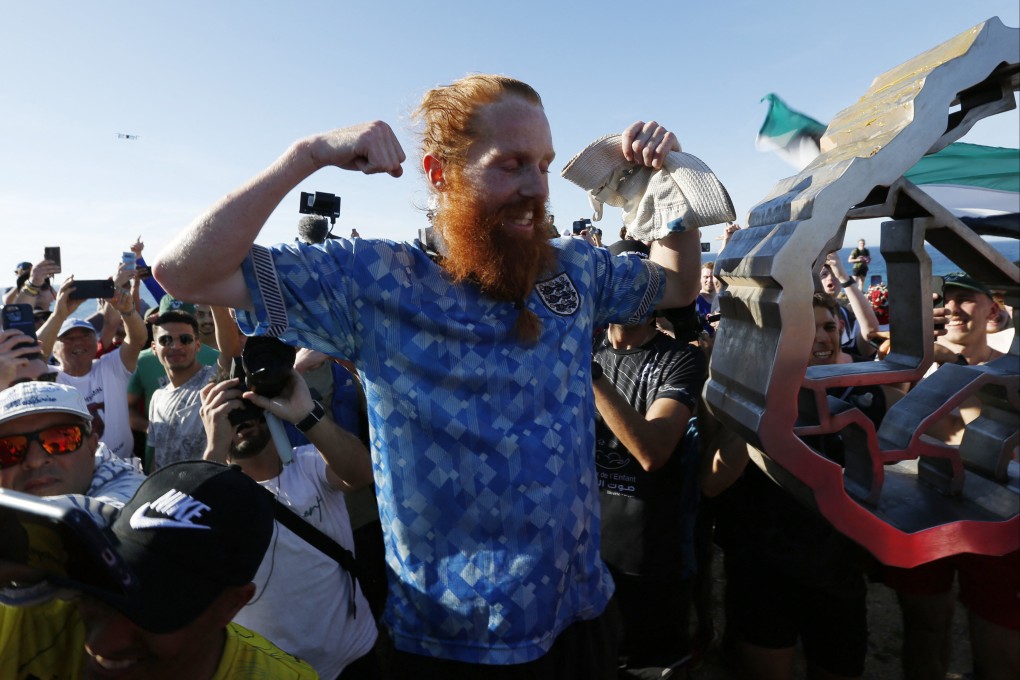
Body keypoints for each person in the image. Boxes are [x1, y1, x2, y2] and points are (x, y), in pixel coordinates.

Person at [155, 74, 723, 677]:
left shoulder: (572, 270)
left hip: (579, 616)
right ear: (439, 171)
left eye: (543, 165)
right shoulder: (373, 280)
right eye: (511, 164)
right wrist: (308, 155)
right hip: (446, 641)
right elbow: (185, 273)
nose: (536, 188)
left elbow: (679, 285)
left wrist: (664, 179)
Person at [702, 293, 892, 680]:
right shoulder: (741, 396)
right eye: (808, 329)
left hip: (837, 567)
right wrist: (765, 405)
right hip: (762, 568)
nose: (822, 337)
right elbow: (712, 482)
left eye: (829, 326)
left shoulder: (865, 390)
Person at [0, 459, 318, 679]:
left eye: (154, 612)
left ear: (232, 605)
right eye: (101, 588)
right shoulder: (29, 617)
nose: (100, 644)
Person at [201, 369, 378, 678]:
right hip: (276, 672)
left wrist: (306, 414)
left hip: (355, 655)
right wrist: (214, 447)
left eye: (251, 407)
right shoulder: (215, 492)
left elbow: (362, 473)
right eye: (231, 413)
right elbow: (192, 544)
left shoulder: (309, 463)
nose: (243, 418)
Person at [884, 271, 1017, 680]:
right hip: (928, 509)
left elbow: (984, 435)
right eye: (948, 299)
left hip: (997, 516)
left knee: (999, 644)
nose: (953, 309)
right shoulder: (922, 366)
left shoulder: (1010, 371)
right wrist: (898, 373)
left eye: (966, 298)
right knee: (924, 627)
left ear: (993, 308)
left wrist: (955, 365)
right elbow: (892, 438)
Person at [594, 242, 707, 678]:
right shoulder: (589, 350)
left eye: (643, 280)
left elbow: (653, 451)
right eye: (622, 280)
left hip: (654, 558)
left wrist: (588, 374)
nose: (632, 291)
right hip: (587, 556)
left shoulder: (680, 357)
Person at [37, 272, 146, 461]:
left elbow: (137, 340)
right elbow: (32, 355)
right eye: (69, 339)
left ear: (96, 342)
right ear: (54, 350)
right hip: (73, 472)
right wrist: (58, 315)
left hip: (122, 466)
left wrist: (128, 312)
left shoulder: (110, 366)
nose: (78, 343)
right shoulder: (48, 379)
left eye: (85, 336)